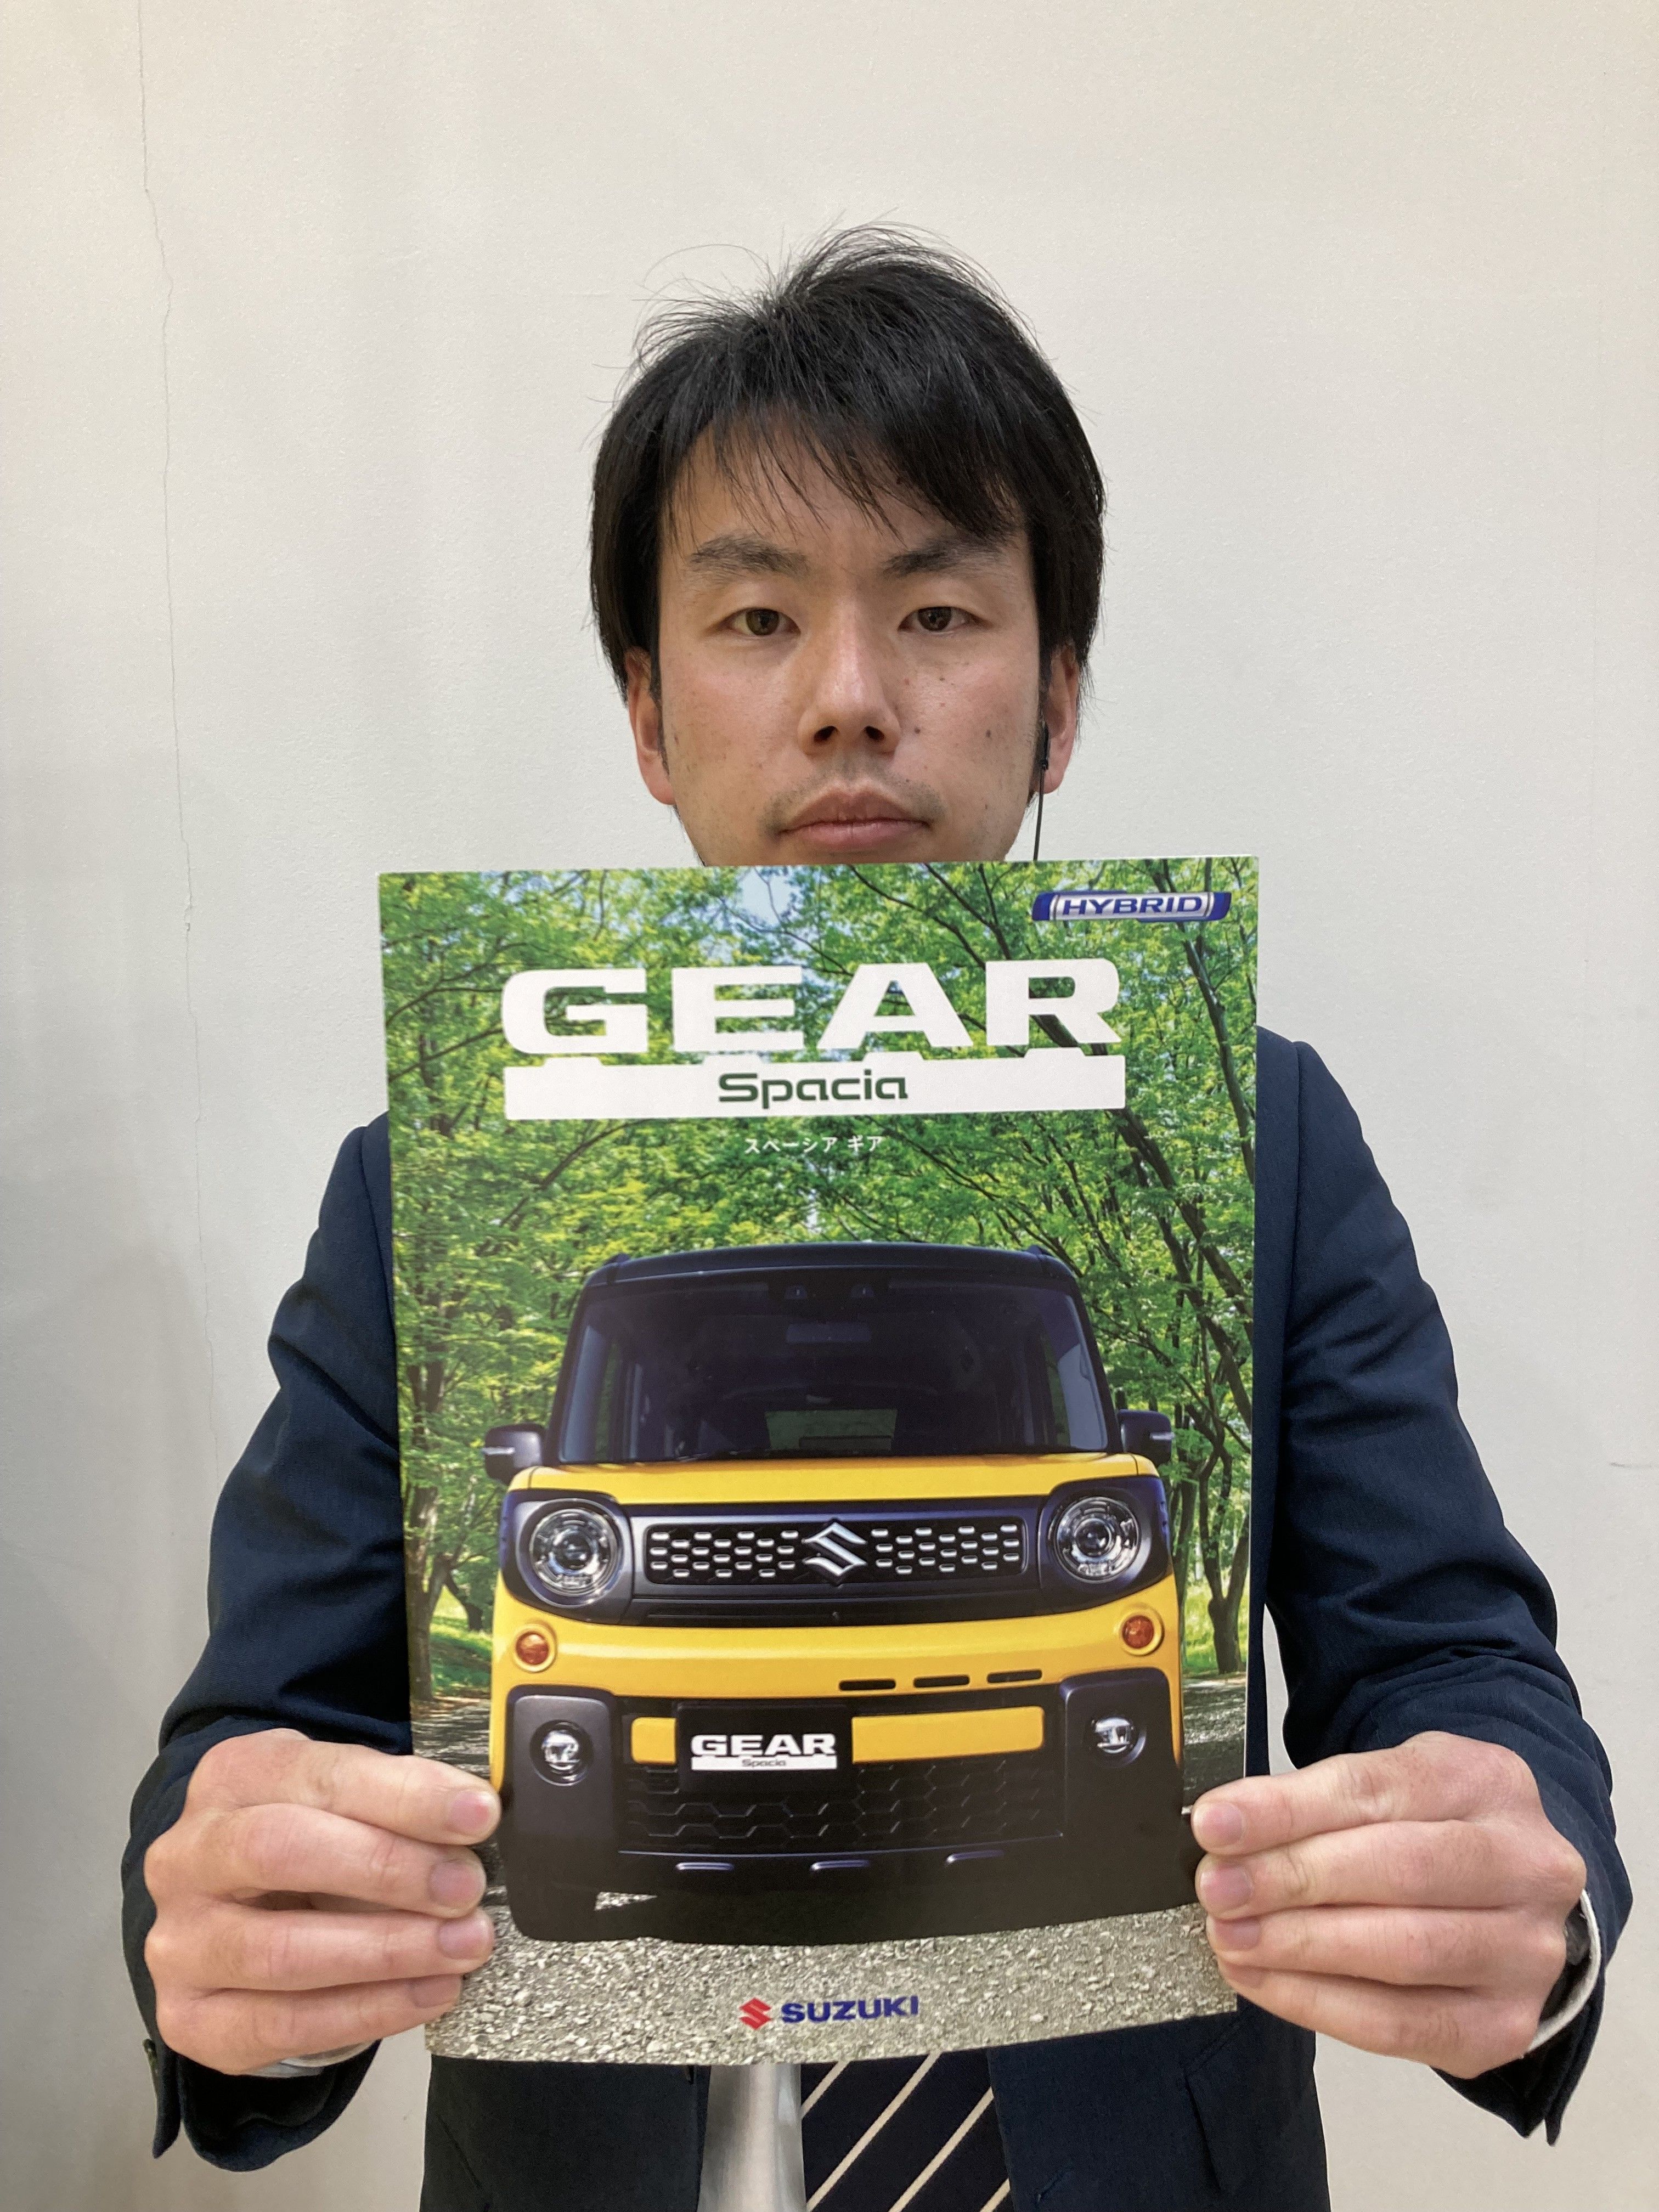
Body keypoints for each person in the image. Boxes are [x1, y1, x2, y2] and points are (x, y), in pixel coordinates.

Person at [125, 232, 1627, 2212]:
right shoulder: (432, 1172)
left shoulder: (1255, 1134)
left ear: (1056, 701)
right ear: (649, 713)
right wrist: (248, 1942)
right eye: (757, 617)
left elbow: (1447, 1652)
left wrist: (1524, 1890)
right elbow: (262, 1732)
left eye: (936, 611)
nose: (849, 699)